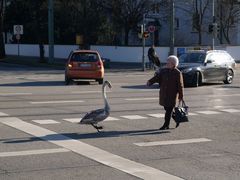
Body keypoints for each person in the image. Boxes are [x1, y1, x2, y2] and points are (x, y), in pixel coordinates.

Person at [147, 55, 184, 130]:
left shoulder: (177, 73)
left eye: (168, 62)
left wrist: (181, 96)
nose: (166, 63)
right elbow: (157, 77)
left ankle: (166, 125)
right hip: (164, 93)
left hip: (172, 95)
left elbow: (180, 85)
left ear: (173, 64)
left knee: (168, 110)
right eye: (167, 62)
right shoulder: (164, 70)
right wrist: (150, 81)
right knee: (167, 108)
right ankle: (177, 119)